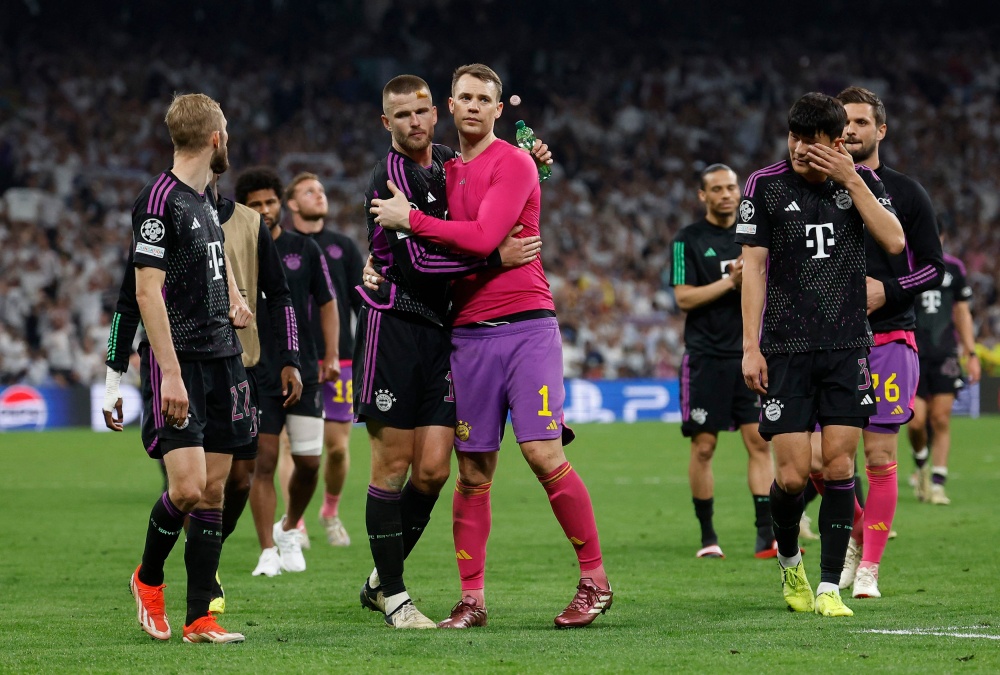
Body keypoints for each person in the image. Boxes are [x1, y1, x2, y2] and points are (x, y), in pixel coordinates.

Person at [372, 63, 612, 629]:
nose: (474, 106)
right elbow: (460, 239)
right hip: (466, 336)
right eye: (465, 98)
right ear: (448, 109)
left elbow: (482, 237)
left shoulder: (514, 161)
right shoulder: (446, 173)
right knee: (473, 472)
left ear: (499, 109)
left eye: (485, 98)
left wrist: (414, 222)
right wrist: (384, 254)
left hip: (527, 325)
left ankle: (595, 581)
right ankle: (472, 599)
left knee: (542, 454)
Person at [356, 74, 542, 629]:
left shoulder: (445, 161)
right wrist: (492, 259)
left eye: (421, 112)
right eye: (401, 116)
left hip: (443, 333)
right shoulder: (387, 179)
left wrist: (536, 156)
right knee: (392, 466)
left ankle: (377, 579)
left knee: (435, 470)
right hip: (394, 329)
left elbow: (499, 167)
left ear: (435, 113)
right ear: (385, 123)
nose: (414, 123)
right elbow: (417, 264)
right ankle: (394, 597)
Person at [104, 170, 304, 615]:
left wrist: (290, 355)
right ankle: (164, 579)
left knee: (230, 484)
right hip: (181, 368)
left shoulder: (246, 223)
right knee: (190, 487)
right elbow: (130, 298)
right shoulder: (166, 210)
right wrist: (114, 375)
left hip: (238, 367)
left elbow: (280, 293)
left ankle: (200, 598)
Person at [736, 92, 904, 618]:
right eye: (794, 139)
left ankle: (830, 587)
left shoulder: (858, 183)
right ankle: (790, 559)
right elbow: (754, 270)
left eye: (813, 142)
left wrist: (852, 179)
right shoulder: (763, 185)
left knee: (838, 465)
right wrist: (750, 346)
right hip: (785, 347)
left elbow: (896, 244)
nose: (802, 151)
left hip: (847, 345)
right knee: (789, 477)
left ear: (836, 143)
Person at [123, 93, 254, 643]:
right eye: (227, 131)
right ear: (216, 137)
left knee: (215, 492)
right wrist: (170, 373)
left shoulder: (206, 198)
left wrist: (233, 300)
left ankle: (200, 617)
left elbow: (205, 271)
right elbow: (146, 292)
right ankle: (147, 580)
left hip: (225, 358)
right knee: (187, 488)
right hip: (182, 365)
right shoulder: (159, 200)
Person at [807, 86, 945, 600]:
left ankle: (868, 568)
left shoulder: (907, 193)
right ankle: (858, 534)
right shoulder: (812, 189)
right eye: (844, 122)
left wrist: (887, 289)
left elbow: (933, 267)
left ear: (880, 130)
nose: (850, 130)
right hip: (827, 342)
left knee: (880, 457)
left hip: (888, 336)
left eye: (862, 122)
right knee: (819, 461)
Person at [237, 167, 341, 576]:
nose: (264, 210)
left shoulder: (304, 249)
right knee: (262, 463)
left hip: (304, 368)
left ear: (281, 203)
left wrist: (331, 355)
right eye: (255, 204)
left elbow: (328, 302)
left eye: (270, 201)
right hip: (256, 370)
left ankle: (289, 526)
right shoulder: (236, 252)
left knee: (309, 462)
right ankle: (267, 550)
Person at [670, 164, 775, 559]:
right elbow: (683, 299)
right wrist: (731, 282)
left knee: (759, 442)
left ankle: (766, 536)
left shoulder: (756, 235)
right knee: (704, 447)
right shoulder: (687, 241)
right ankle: (708, 537)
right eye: (717, 189)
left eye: (732, 187)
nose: (727, 194)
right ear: (703, 196)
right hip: (706, 358)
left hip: (750, 355)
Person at [285, 172, 364, 547]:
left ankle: (329, 510)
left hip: (341, 362)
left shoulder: (343, 247)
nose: (319, 195)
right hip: (294, 359)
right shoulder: (283, 247)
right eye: (308, 191)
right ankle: (293, 520)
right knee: (293, 447)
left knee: (336, 448)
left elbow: (362, 302)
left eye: (321, 190)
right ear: (292, 204)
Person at [907, 227, 979, 505]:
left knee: (941, 418)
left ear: (944, 237)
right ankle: (921, 464)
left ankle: (937, 483)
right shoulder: (906, 265)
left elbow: (962, 311)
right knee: (915, 423)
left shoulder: (954, 268)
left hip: (946, 353)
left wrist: (971, 353)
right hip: (912, 352)